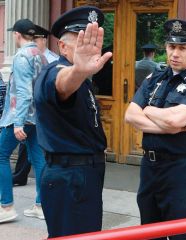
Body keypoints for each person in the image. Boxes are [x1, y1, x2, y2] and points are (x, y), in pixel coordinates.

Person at [125, 19, 186, 240]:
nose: (175, 53)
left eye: (182, 48)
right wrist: (168, 126)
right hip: (149, 167)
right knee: (148, 232)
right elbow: (130, 116)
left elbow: (178, 120)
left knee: (181, 235)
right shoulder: (154, 77)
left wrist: (148, 110)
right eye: (171, 47)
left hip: (180, 170)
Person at [34, 6, 112, 238]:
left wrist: (80, 72)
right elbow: (61, 84)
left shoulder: (83, 80)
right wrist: (79, 70)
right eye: (80, 42)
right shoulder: (56, 71)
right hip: (70, 175)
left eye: (92, 42)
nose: (89, 49)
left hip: (83, 174)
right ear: (63, 46)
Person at [0, 18, 47, 223]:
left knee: (0, 155)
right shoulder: (40, 55)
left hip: (19, 117)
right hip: (36, 117)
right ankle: (42, 205)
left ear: (17, 35)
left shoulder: (21, 56)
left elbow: (23, 92)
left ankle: (6, 206)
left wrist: (18, 122)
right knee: (39, 160)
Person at [12, 24, 59, 187]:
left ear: (43, 39)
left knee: (36, 153)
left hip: (35, 112)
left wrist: (19, 121)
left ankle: (9, 203)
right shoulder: (40, 57)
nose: (35, 40)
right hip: (35, 113)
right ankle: (21, 177)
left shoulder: (50, 59)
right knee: (31, 153)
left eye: (38, 37)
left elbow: (47, 88)